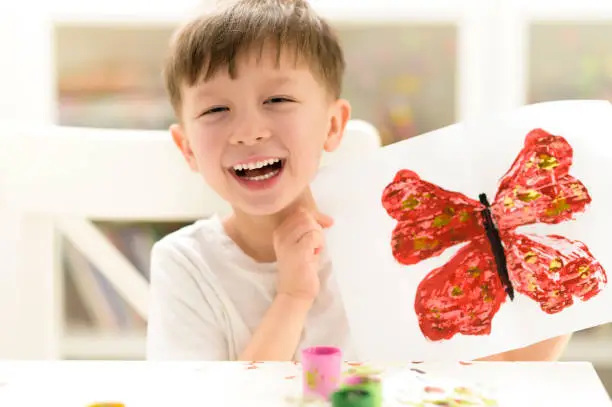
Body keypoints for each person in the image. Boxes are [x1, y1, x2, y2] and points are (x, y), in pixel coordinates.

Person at [145, 0, 572, 361]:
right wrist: (293, 296)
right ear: (187, 149)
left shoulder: (390, 242)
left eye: (277, 100)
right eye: (216, 110)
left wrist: (566, 301)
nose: (249, 130)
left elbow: (489, 375)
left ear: (333, 125)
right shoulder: (184, 265)